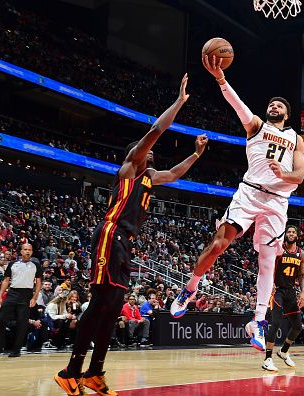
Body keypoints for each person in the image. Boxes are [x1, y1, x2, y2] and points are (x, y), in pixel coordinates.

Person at [54, 73, 208, 396]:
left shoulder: (151, 178)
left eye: (151, 155)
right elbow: (156, 131)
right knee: (100, 303)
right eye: (146, 154)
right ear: (136, 156)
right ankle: (71, 371)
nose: (151, 155)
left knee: (113, 308)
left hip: (126, 245)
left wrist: (195, 154)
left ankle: (94, 374)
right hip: (110, 236)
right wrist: (179, 102)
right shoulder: (128, 170)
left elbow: (176, 173)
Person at [171, 55, 304, 352]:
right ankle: (190, 288)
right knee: (220, 243)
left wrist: (284, 173)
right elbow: (237, 104)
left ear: (287, 114)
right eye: (272, 103)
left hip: (278, 201)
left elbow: (300, 175)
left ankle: (257, 321)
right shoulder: (255, 125)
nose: (274, 106)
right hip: (249, 193)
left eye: (280, 106)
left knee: (268, 262)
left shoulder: (296, 138)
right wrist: (221, 79)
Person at [262, 225, 304, 371]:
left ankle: (284, 351)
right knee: (275, 323)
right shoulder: (278, 250)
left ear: (297, 236)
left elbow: (301, 275)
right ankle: (267, 358)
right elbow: (269, 266)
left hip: (291, 292)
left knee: (298, 326)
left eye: (294, 232)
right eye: (289, 232)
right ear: (285, 234)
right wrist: (270, 284)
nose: (291, 234)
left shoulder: (302, 254)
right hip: (277, 291)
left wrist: (302, 293)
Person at [0, 243, 42, 358]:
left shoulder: (36, 265)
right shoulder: (13, 264)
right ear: (21, 251)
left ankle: (16, 349)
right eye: (25, 249)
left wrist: (34, 297)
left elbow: (38, 282)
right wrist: (0, 296)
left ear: (32, 252)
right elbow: (6, 280)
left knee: (22, 323)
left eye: (29, 250)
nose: (27, 251)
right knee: (0, 319)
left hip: (26, 294)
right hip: (12, 293)